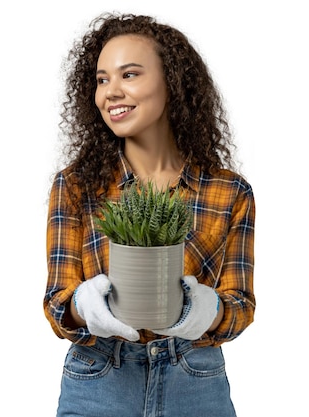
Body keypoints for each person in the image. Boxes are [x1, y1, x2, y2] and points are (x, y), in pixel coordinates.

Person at [43, 12, 255, 416]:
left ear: (171, 84)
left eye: (130, 75)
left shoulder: (228, 191)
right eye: (102, 80)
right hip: (99, 379)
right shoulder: (75, 187)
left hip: (194, 380)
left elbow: (240, 304)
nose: (111, 92)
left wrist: (204, 310)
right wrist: (84, 306)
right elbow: (58, 304)